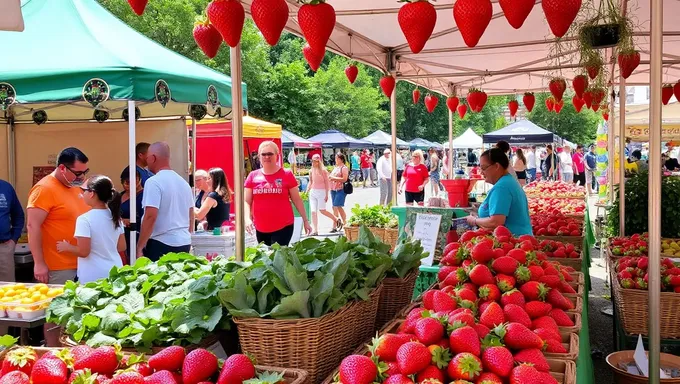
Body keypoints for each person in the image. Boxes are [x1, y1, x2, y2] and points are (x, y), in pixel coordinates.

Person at [27, 147, 90, 285]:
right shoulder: (44, 189)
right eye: (78, 173)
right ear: (62, 168)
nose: (82, 177)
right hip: (58, 268)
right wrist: (39, 263)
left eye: (85, 172)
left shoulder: (76, 185)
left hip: (82, 263)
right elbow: (32, 226)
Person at [56, 176, 125, 283]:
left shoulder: (84, 219)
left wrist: (67, 247)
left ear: (92, 193)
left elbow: (84, 252)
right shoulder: (116, 217)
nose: (82, 194)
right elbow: (121, 246)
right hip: (115, 270)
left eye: (84, 190)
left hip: (93, 275)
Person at [137, 142, 194, 261]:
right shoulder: (183, 183)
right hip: (184, 241)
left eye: (147, 158)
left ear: (153, 158)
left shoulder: (153, 182)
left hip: (161, 243)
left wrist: (140, 246)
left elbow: (150, 216)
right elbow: (191, 215)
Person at [245, 141, 311, 246]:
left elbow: (297, 199)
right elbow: (246, 201)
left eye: (270, 154)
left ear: (277, 155)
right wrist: (247, 218)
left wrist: (305, 220)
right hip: (261, 227)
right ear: (259, 156)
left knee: (278, 257)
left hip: (284, 226)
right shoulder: (252, 176)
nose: (267, 157)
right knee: (265, 259)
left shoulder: (287, 174)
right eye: (263, 154)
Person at [466, 148, 532, 236]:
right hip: (520, 240)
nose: (481, 172)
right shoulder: (508, 181)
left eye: (484, 168)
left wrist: (474, 221)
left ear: (497, 166)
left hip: (513, 242)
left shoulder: (501, 187)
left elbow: (496, 222)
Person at [306, 154, 338, 235]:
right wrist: (307, 190)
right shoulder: (311, 170)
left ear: (319, 162)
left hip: (321, 191)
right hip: (313, 191)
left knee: (322, 210)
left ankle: (336, 219)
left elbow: (327, 183)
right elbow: (310, 181)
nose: (314, 163)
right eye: (313, 161)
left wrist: (327, 194)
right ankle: (315, 230)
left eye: (316, 161)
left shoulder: (323, 171)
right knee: (313, 211)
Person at [0, 179, 24, 282]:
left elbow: (18, 215)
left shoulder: (6, 187)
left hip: (3, 248)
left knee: (7, 288)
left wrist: (14, 238)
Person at [119, 166, 144, 261]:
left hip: (136, 235)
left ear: (139, 180)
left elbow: (146, 217)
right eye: (124, 182)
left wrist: (130, 221)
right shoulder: (119, 195)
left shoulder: (143, 196)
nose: (126, 185)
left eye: (130, 182)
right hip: (121, 236)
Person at [328, 153, 350, 229]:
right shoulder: (336, 167)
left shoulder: (344, 168)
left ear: (341, 159)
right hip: (333, 189)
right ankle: (336, 224)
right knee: (334, 207)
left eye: (337, 158)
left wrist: (334, 178)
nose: (335, 160)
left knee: (338, 205)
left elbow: (345, 179)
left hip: (340, 189)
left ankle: (344, 222)